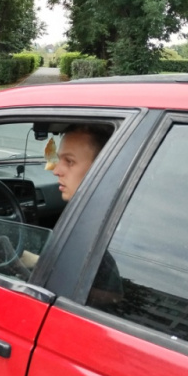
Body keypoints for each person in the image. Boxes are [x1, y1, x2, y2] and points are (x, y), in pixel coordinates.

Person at [52, 123, 123, 309]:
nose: (56, 170)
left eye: (69, 162)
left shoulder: (100, 230)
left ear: (102, 167)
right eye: (60, 159)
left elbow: (115, 295)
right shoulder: (108, 212)